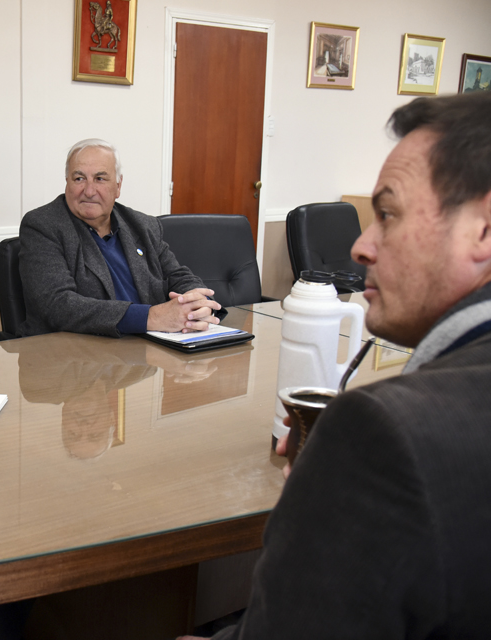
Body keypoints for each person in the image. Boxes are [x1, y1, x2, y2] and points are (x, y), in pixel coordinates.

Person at [182, 91, 491, 639]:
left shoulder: (381, 433)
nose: (360, 247)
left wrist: (318, 509)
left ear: (483, 229)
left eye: (388, 215)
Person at [17, 138, 221, 338]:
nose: (89, 191)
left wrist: (198, 304)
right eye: (79, 178)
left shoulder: (143, 225)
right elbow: (58, 305)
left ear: (118, 186)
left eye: (100, 178)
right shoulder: (42, 225)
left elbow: (178, 276)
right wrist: (151, 317)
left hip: (148, 354)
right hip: (76, 357)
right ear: (67, 183)